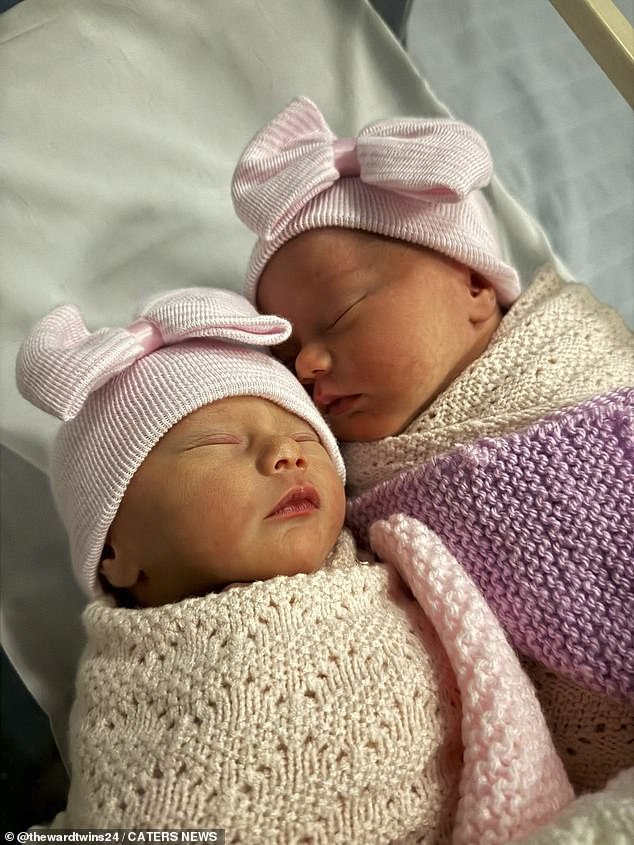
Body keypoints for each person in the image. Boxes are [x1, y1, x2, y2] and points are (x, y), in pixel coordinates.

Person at [17, 287, 572, 843]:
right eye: (218, 441)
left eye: (306, 435)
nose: (289, 453)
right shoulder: (134, 688)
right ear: (116, 553)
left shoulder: (400, 561)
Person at [231, 96, 634, 794]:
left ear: (473, 282)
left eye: (339, 317)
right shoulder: (355, 502)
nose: (308, 365)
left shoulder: (585, 369)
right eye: (292, 353)